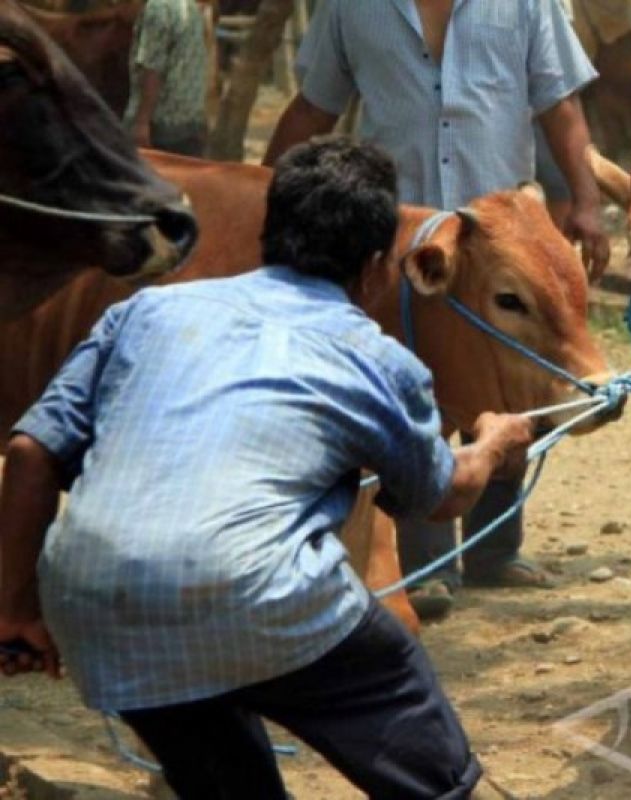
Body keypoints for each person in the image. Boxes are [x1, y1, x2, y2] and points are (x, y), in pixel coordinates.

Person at [0, 137, 532, 799]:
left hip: (98, 609)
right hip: (263, 593)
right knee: (430, 760)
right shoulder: (372, 354)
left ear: (269, 231)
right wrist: (492, 443)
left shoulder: (145, 309)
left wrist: (16, 607)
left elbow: (28, 452)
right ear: (374, 268)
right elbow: (441, 495)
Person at [265, 0, 610, 620]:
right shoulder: (350, 8)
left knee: (508, 386)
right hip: (398, 238)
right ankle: (425, 564)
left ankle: (495, 551)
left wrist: (586, 201)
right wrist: (257, 194)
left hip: (500, 233)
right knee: (405, 387)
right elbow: (315, 105)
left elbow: (559, 105)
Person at [124, 0, 209, 156]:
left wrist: (142, 122)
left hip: (161, 124)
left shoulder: (158, 8)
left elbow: (152, 68)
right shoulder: (191, 6)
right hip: (191, 121)